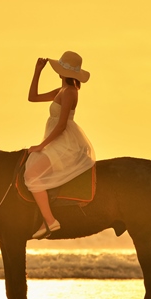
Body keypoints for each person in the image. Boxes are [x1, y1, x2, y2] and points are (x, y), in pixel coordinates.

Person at [25, 51, 96, 239]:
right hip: (57, 141)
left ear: (63, 72)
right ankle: (44, 220)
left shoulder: (70, 92)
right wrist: (37, 71)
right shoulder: (61, 91)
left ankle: (50, 221)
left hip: (64, 143)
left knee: (31, 174)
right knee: (38, 173)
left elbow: (62, 125)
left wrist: (41, 146)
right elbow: (32, 97)